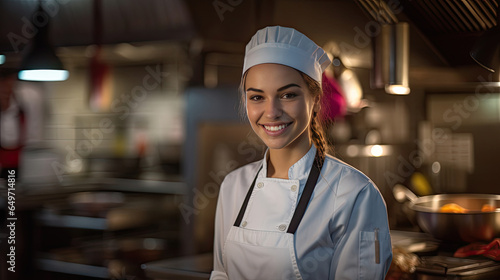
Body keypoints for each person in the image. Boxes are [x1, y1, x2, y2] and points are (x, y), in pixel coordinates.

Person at [210, 26, 392, 280]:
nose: (271, 112)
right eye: (257, 97)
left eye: (288, 95)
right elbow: (221, 274)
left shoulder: (355, 194)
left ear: (316, 100)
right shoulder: (233, 186)